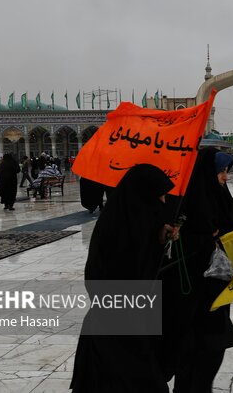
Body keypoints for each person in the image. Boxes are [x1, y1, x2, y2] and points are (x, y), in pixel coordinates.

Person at [70, 164, 179, 393]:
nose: (163, 202)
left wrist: (159, 239)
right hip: (116, 321)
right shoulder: (118, 227)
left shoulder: (132, 220)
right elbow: (116, 270)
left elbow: (142, 267)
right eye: (159, 196)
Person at [163, 147, 233, 392]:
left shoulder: (217, 199)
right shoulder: (182, 206)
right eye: (221, 171)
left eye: (226, 171)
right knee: (193, 356)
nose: (225, 177)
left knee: (207, 356)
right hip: (189, 300)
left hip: (213, 299)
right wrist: (202, 239)